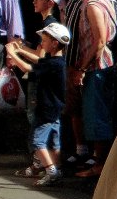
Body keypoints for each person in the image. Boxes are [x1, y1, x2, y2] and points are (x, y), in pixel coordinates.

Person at [61, 0, 117, 171]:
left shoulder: (95, 1)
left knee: (96, 113)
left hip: (95, 67)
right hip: (78, 62)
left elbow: (100, 40)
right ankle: (85, 154)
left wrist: (82, 68)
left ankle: (99, 163)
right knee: (80, 110)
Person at [6, 22, 70, 186]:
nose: (42, 44)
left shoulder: (53, 65)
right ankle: (57, 167)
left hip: (46, 108)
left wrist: (12, 53)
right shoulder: (56, 61)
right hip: (55, 108)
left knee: (38, 141)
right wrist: (20, 51)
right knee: (54, 141)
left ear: (55, 43)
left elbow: (29, 68)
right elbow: (39, 61)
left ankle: (51, 171)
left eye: (45, 41)